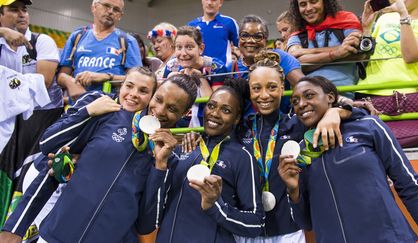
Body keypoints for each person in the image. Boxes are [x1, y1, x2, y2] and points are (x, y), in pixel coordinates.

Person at [0, 70, 199, 242]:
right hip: (55, 235)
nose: (160, 110)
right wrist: (15, 227)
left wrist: (160, 166)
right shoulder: (108, 116)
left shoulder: (169, 158)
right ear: (154, 94)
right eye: (159, 99)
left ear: (185, 113)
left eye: (172, 108)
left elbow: (146, 224)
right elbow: (54, 167)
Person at [280, 76, 418, 242]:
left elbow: (411, 187)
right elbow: (306, 222)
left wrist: (340, 111)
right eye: (295, 101)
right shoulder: (302, 152)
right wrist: (293, 191)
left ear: (330, 97)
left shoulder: (368, 126)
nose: (301, 104)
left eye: (309, 95)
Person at [235, 54, 363, 243]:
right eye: (256, 88)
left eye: (271, 87)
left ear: (282, 88)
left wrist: (334, 112)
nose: (264, 95)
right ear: (250, 91)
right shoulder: (241, 128)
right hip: (246, 231)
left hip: (288, 230)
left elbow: (360, 111)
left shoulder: (298, 124)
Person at [137, 78, 265, 242]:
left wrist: (216, 206)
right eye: (211, 106)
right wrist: (160, 165)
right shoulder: (183, 148)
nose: (214, 113)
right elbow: (149, 222)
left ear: (237, 118)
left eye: (226, 110)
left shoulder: (242, 158)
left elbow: (256, 224)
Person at [0, 0, 63, 229]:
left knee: (27, 178)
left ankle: (23, 228)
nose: (22, 14)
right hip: (9, 121)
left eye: (24, 9)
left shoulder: (41, 41)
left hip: (41, 121)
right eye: (14, 9)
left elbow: (44, 82)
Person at [57, 0, 142, 99]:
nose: (110, 11)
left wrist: (105, 77)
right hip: (77, 108)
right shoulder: (77, 36)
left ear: (120, 16)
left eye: (116, 9)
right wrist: (70, 82)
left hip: (110, 108)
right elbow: (61, 76)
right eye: (106, 6)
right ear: (94, 7)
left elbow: (136, 80)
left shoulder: (128, 41)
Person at [287, 0, 363, 98]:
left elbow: (359, 53)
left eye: (314, 1)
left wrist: (307, 54)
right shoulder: (296, 33)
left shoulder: (347, 20)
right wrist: (338, 52)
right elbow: (295, 63)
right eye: (303, 4)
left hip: (344, 96)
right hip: (309, 98)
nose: (308, 8)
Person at [231, 15, 304, 114]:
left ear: (265, 40)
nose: (250, 41)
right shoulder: (231, 68)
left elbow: (304, 85)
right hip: (245, 127)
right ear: (238, 39)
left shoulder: (279, 57)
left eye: (258, 36)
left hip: (280, 125)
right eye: (245, 35)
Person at [357, 0, 418, 97]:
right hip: (366, 90)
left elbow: (410, 56)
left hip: (403, 93)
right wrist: (366, 29)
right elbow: (365, 58)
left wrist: (404, 15)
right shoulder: (385, 18)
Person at [164, 25, 227, 127]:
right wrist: (170, 81)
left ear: (201, 48)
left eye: (189, 47)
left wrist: (201, 79)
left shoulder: (216, 67)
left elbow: (217, 106)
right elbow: (164, 103)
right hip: (178, 127)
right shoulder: (171, 67)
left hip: (207, 127)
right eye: (179, 47)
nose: (183, 53)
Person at [188, 0, 239, 67]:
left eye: (214, 0)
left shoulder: (229, 22)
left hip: (223, 73)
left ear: (220, 2)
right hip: (199, 72)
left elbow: (240, 46)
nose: (209, 3)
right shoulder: (192, 25)